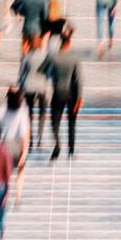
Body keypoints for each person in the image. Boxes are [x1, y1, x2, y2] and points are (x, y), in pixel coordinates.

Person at [42, 27, 83, 161]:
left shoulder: (53, 57)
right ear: (69, 43)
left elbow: (42, 70)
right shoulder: (75, 58)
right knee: (72, 123)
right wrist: (79, 98)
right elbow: (78, 79)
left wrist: (52, 76)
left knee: (55, 122)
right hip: (71, 94)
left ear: (60, 42)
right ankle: (71, 151)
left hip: (58, 92)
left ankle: (57, 145)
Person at [0, 87, 30, 204]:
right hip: (17, 144)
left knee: (5, 172)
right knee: (20, 170)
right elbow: (25, 133)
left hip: (5, 145)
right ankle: (18, 197)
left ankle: (5, 195)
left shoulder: (3, 109)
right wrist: (25, 152)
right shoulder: (23, 110)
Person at [19, 33, 49, 148]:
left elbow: (21, 74)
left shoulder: (26, 56)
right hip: (41, 87)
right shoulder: (45, 56)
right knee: (42, 112)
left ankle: (30, 138)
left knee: (29, 113)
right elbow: (49, 73)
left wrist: (21, 89)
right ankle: (40, 137)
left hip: (29, 86)